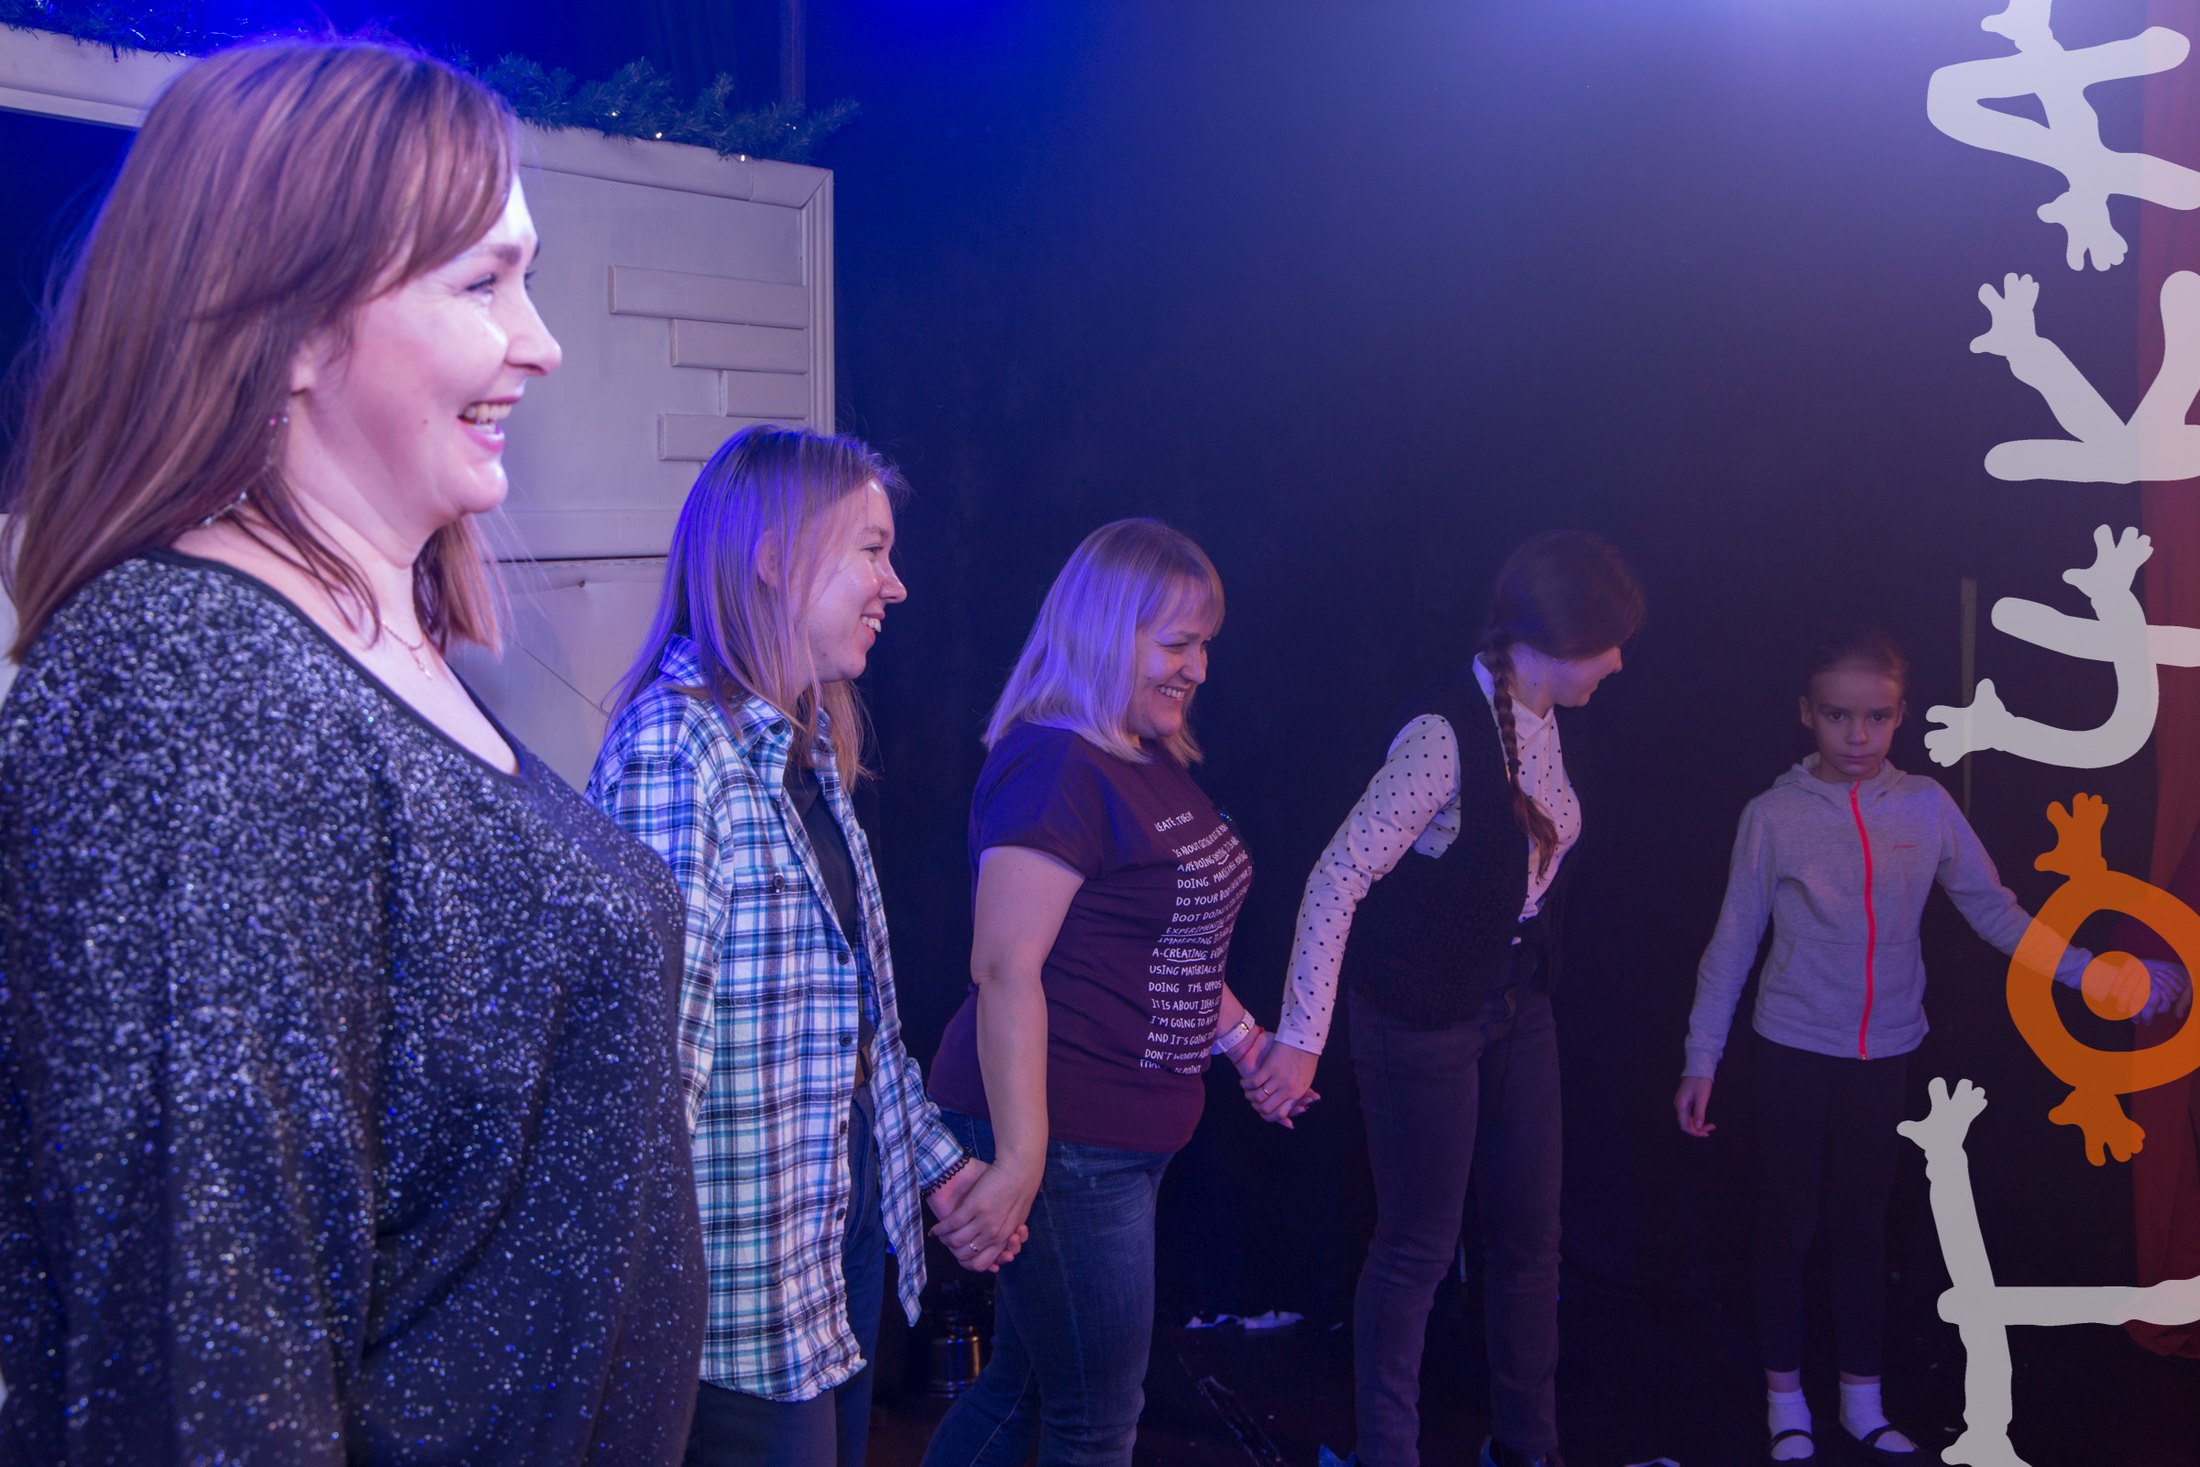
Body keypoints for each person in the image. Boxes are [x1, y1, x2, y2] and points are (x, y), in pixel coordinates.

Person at [0, 38, 705, 1462]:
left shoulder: (363, 647)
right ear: (294, 325)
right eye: (482, 283)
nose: (541, 340)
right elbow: (203, 1366)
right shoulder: (189, 680)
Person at [588, 423, 1013, 1467]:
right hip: (731, 1313)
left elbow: (857, 1034)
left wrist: (941, 1172)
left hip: (827, 1263)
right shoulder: (675, 751)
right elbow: (646, 1080)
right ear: (774, 557)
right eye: (871, 549)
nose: (895, 585)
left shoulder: (806, 746)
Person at [1670, 627, 2181, 1465]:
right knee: (1788, 1222)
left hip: (1885, 1052)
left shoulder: (1927, 805)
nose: (1857, 734)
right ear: (1806, 714)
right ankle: (1784, 1399)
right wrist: (1703, 1056)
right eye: (1838, 715)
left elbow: (1995, 909)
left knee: (1863, 1225)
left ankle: (1861, 1400)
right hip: (1793, 1048)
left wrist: (2090, 973)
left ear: (1902, 714)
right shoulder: (1773, 816)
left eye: (1876, 716)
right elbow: (1732, 942)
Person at [1245, 529, 1645, 1467]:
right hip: (1419, 1015)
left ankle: (1529, 1447)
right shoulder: (1442, 734)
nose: (1619, 663)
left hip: (1514, 1005)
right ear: (1550, 641)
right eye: (1606, 643)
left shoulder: (1541, 715)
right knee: (1418, 1248)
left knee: (1531, 1239)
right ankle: (1389, 1454)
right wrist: (1301, 1036)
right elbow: (1337, 876)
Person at [920, 518, 1273, 1467]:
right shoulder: (1055, 765)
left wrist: (1246, 1042)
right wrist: (1025, 1157)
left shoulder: (1143, 753)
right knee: (1094, 1421)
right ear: (1107, 631)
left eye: (1205, 645)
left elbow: (1170, 939)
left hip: (1114, 1136)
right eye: (1178, 643)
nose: (1198, 668)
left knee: (1026, 1389)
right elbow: (1004, 968)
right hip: (1068, 1136)